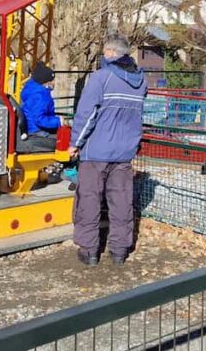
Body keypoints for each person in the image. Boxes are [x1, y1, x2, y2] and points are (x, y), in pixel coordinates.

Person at [69, 33, 148, 266]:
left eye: (105, 52)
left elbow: (87, 114)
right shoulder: (141, 82)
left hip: (96, 151)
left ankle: (90, 250)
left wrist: (75, 143)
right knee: (121, 200)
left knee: (89, 200)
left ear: (111, 53)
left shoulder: (100, 78)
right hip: (124, 152)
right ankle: (119, 250)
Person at [18, 61, 61, 152]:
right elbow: (39, 119)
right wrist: (59, 121)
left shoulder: (32, 89)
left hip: (31, 128)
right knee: (68, 140)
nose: (54, 82)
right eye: (52, 80)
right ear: (46, 82)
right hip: (37, 132)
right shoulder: (40, 95)